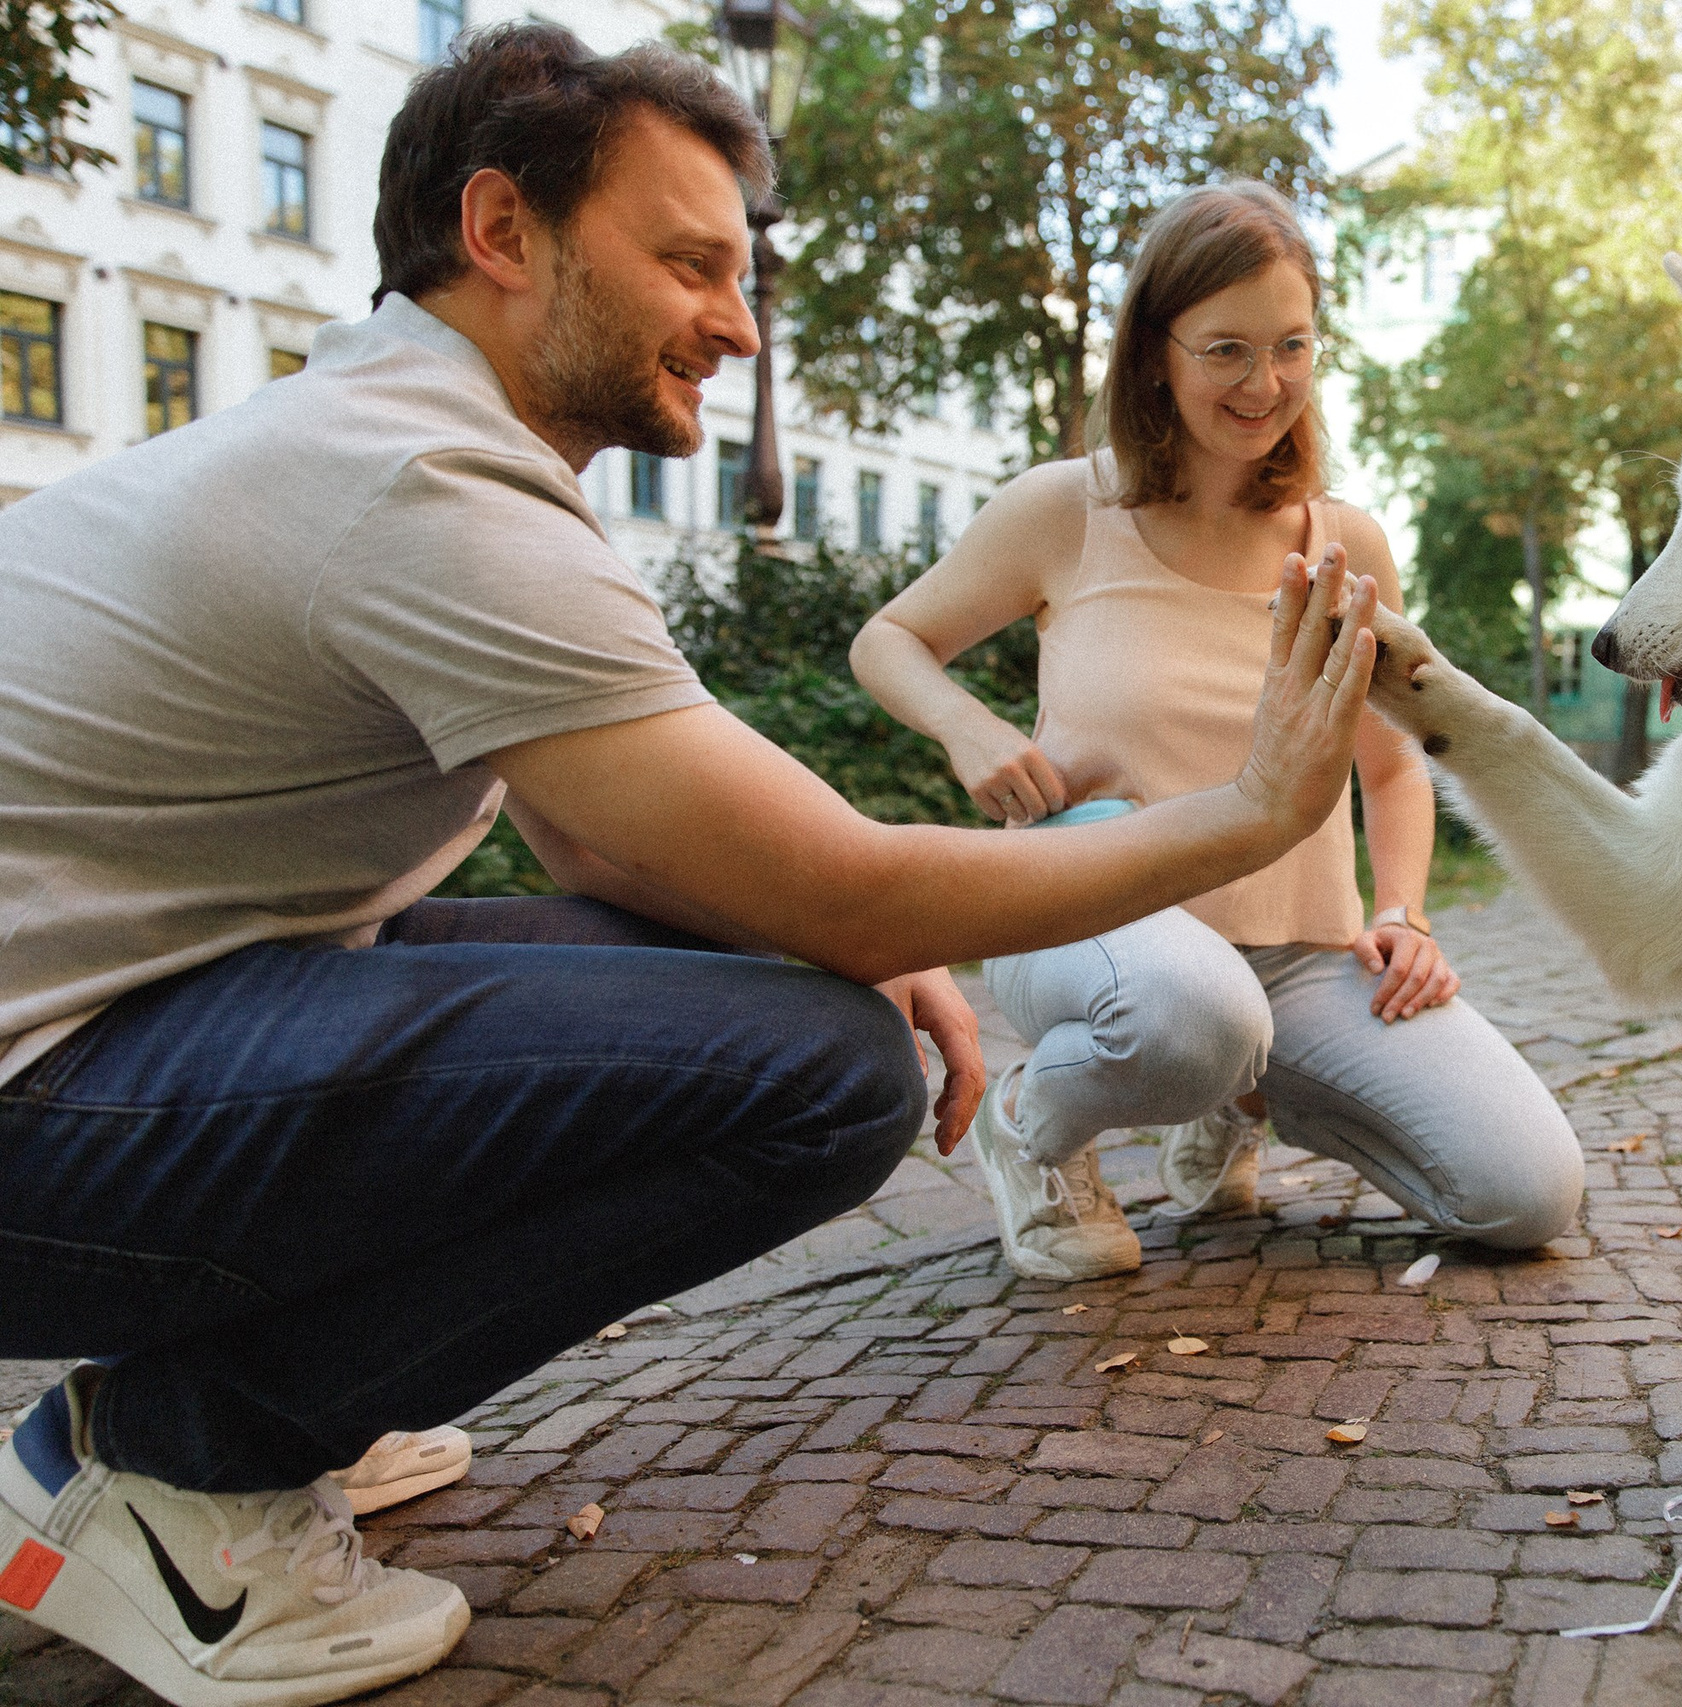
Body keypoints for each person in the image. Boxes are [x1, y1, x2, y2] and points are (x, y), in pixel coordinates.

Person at [0, 29, 1377, 1707]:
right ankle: (169, 1461)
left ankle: (238, 1399)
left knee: (778, 990)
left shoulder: (398, 437)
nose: (737, 321)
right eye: (691, 264)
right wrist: (1246, 816)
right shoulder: (423, 485)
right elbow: (847, 886)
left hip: (104, 1029)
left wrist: (855, 939)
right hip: (40, 1094)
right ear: (504, 233)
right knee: (814, 1077)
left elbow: (599, 833)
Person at [851, 183, 1585, 1284]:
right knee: (1195, 1014)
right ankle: (1031, 1129)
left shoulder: (1344, 545)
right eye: (1227, 350)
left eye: (1291, 346)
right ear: (1156, 352)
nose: (1265, 383)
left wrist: (1402, 912)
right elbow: (890, 639)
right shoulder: (1065, 509)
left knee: (1524, 1194)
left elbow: (1391, 766)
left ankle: (1244, 1097)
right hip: (1083, 907)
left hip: (1297, 957)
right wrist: (965, 725)